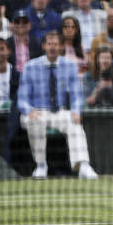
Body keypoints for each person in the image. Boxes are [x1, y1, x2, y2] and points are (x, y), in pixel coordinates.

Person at [17, 31, 98, 179]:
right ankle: (41, 166)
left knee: (74, 122)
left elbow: (77, 96)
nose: (52, 47)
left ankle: (83, 166)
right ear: (44, 46)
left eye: (56, 44)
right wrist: (30, 110)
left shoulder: (70, 66)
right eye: (49, 44)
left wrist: (76, 111)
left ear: (61, 47)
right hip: (37, 112)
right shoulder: (30, 67)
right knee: (34, 121)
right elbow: (22, 98)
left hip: (59, 112)